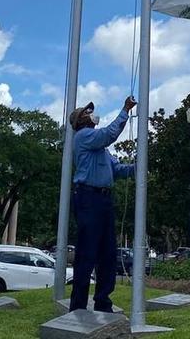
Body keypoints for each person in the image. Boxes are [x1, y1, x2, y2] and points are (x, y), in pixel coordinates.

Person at [68, 96, 137, 312]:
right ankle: (78, 306)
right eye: (88, 113)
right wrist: (125, 109)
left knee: (107, 253)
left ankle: (102, 301)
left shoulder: (101, 150)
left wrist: (139, 165)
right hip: (88, 198)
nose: (92, 115)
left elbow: (117, 170)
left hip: (104, 199)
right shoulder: (84, 136)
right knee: (87, 253)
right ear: (81, 120)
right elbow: (109, 134)